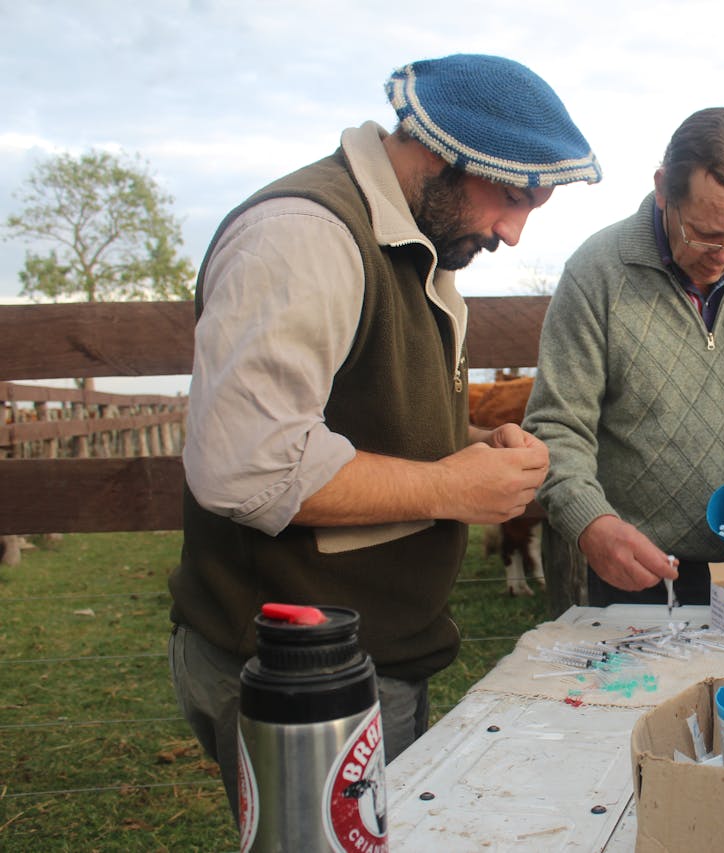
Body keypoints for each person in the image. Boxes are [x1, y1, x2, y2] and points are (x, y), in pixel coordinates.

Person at [167, 54, 601, 816]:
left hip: (367, 653)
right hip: (293, 673)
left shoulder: (415, 242)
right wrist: (449, 487)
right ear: (441, 151)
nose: (511, 230)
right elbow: (246, 465)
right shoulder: (303, 236)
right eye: (508, 195)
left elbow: (365, 416)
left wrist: (470, 443)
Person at [523, 105, 724, 608]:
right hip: (637, 572)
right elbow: (557, 426)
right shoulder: (597, 271)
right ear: (662, 189)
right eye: (706, 231)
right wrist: (591, 523)